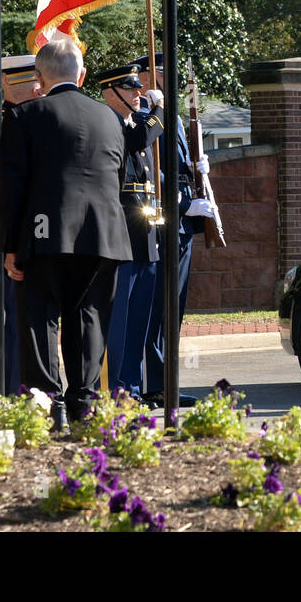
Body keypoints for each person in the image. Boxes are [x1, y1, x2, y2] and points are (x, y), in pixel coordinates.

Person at [0, 39, 133, 428]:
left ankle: (49, 403)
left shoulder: (25, 115)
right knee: (89, 318)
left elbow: (13, 187)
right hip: (103, 234)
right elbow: (118, 175)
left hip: (45, 234)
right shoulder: (110, 117)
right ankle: (84, 402)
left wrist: (10, 246)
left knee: (39, 318)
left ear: (38, 78)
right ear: (83, 74)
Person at [130, 53, 215, 409]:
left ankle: (166, 382)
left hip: (181, 226)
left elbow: (178, 167)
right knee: (156, 307)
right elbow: (151, 172)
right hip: (161, 221)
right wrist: (183, 204)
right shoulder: (142, 118)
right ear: (147, 76)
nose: (169, 78)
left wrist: (198, 167)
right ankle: (152, 385)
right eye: (162, 72)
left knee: (173, 309)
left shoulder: (175, 118)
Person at [95, 63, 165, 401]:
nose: (138, 93)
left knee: (139, 317)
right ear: (111, 92)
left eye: (139, 87)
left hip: (145, 232)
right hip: (122, 233)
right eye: (130, 87)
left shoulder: (133, 121)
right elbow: (143, 136)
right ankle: (114, 388)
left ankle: (132, 387)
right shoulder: (108, 123)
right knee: (119, 317)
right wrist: (160, 109)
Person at [0, 53, 43, 396]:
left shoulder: (35, 118)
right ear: (7, 84)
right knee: (18, 319)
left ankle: (33, 389)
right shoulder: (4, 123)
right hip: (18, 236)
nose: (38, 90)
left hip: (44, 234)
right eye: (30, 84)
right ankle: (15, 390)